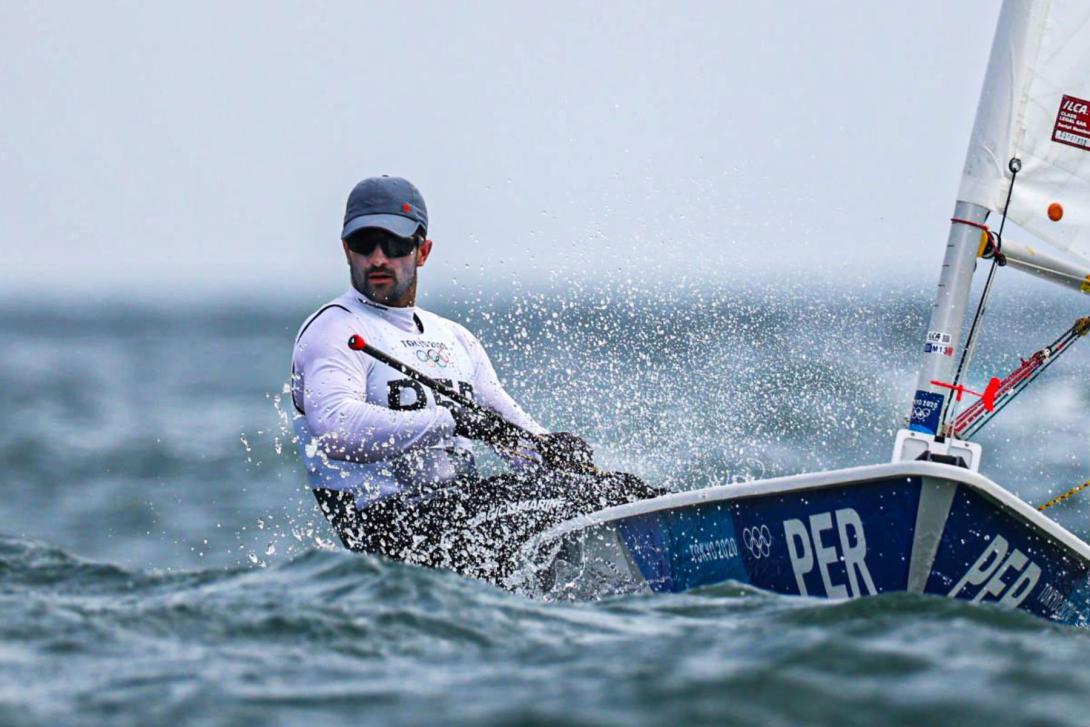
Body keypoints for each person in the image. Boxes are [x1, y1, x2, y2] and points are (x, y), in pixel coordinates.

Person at [291, 175, 661, 587]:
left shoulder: (454, 339)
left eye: (394, 245)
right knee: (584, 498)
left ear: (423, 250)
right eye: (364, 244)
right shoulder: (335, 332)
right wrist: (449, 420)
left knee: (607, 487)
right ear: (346, 249)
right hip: (393, 536)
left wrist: (548, 448)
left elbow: (508, 425)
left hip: (461, 514)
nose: (378, 258)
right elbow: (335, 430)